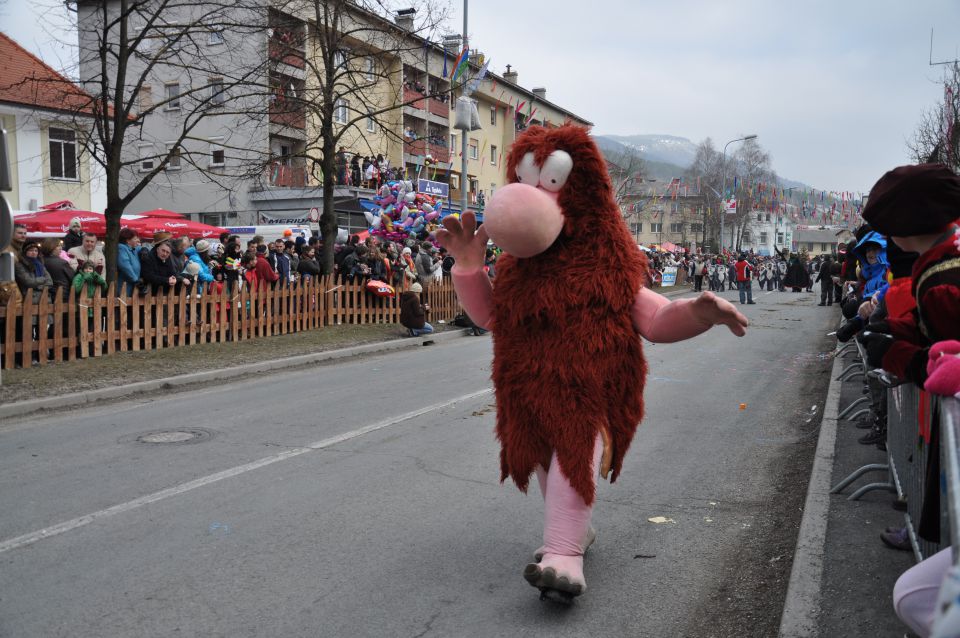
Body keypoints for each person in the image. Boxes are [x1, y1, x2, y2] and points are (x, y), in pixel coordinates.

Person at [117, 228, 142, 296]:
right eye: (135, 239)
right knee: (123, 305)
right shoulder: (122, 248)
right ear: (128, 240)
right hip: (125, 286)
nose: (138, 240)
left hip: (133, 285)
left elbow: (140, 248)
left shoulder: (133, 249)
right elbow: (125, 266)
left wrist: (145, 249)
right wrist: (135, 280)